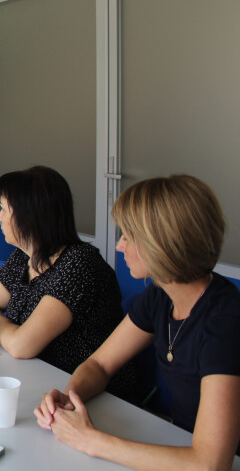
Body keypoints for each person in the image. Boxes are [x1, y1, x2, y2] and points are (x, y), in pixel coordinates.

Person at [34, 175, 240, 469]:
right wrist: (71, 398)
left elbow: (210, 464)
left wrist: (91, 441)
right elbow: (99, 365)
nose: (119, 246)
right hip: (180, 444)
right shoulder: (160, 295)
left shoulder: (225, 322)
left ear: (163, 244)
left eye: (128, 237)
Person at [0, 166, 133, 398]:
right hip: (34, 378)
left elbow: (21, 345)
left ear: (30, 217)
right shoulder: (24, 256)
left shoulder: (79, 264)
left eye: (4, 209)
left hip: (84, 392)